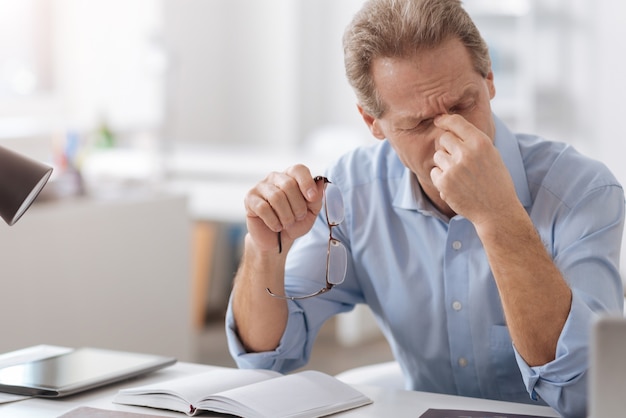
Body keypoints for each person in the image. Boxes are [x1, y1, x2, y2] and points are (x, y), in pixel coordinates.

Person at [225, 0, 625, 416]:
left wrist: (497, 215)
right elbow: (265, 358)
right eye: (417, 124)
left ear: (489, 80)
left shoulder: (582, 191)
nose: (449, 136)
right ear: (372, 123)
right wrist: (263, 251)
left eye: (463, 105)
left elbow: (587, 392)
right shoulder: (354, 192)